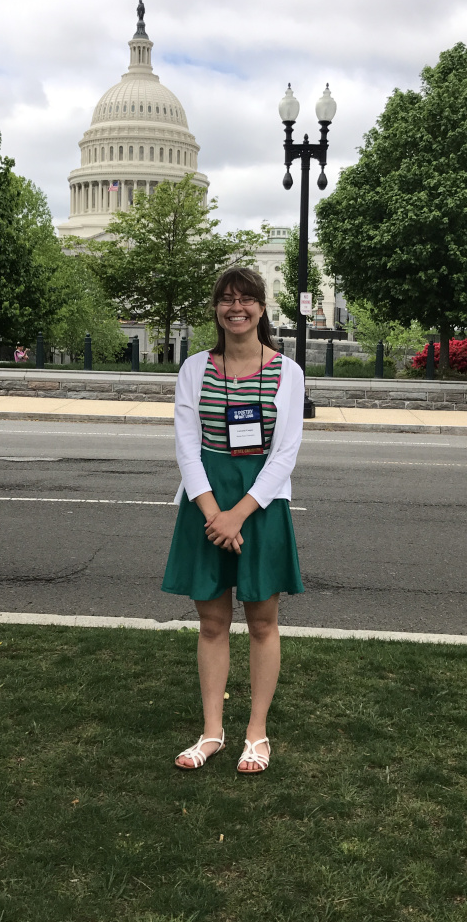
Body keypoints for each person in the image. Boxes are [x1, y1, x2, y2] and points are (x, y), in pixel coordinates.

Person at [162, 266, 305, 774]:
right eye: (226, 299)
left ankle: (257, 733)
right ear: (216, 310)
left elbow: (285, 454)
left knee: (263, 622)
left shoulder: (288, 372)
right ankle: (211, 732)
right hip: (205, 504)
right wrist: (212, 514)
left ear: (262, 309)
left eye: (246, 299)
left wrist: (238, 514)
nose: (235, 307)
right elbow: (186, 446)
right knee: (212, 623)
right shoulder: (194, 369)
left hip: (260, 506)